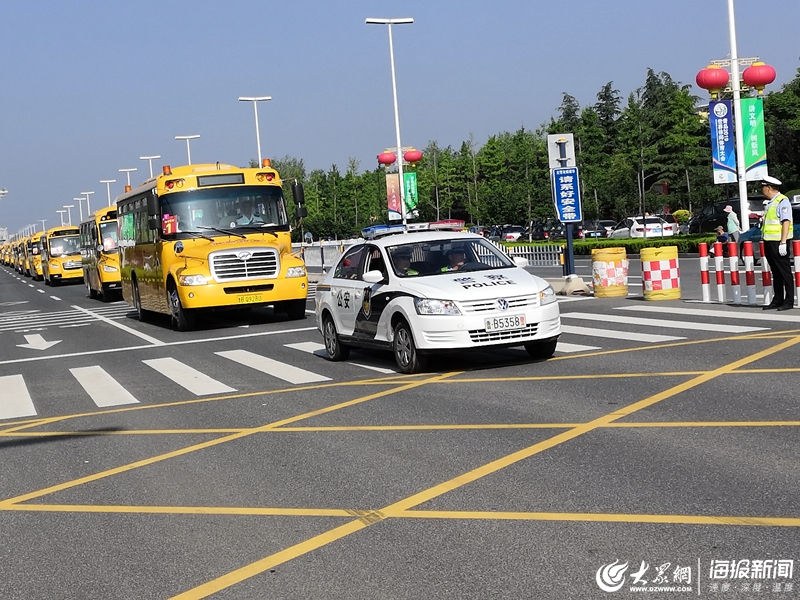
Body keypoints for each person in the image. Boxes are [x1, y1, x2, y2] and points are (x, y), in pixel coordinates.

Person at [760, 175, 794, 311]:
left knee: (784, 271)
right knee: (776, 271)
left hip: (778, 241)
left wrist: (783, 242)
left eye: (763, 187)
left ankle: (789, 301)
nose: (762, 190)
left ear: (769, 188)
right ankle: (778, 299)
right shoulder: (770, 203)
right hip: (769, 241)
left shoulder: (782, 201)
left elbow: (786, 221)